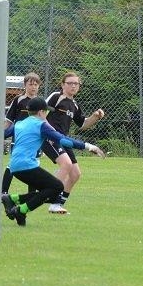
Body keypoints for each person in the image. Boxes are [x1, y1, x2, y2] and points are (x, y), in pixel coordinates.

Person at [2, 97, 105, 226]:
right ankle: (21, 210)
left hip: (14, 166)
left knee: (49, 191)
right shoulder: (41, 125)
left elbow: (3, 134)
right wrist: (88, 146)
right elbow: (63, 140)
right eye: (46, 111)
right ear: (40, 112)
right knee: (57, 187)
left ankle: (13, 199)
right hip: (27, 166)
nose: (47, 114)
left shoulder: (19, 123)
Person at [41, 72, 105, 214]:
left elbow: (83, 124)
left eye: (76, 83)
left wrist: (95, 117)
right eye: (70, 83)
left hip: (63, 140)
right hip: (50, 138)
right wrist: (50, 133)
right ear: (63, 84)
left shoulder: (74, 105)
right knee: (66, 165)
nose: (73, 86)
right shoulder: (56, 97)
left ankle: (57, 205)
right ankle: (48, 195)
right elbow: (41, 114)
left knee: (75, 174)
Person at [2, 72, 41, 194]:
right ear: (25, 85)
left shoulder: (41, 102)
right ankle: (3, 191)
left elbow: (43, 122)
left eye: (36, 84)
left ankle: (32, 194)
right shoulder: (18, 100)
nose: (33, 87)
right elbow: (9, 120)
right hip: (19, 138)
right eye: (30, 84)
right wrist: (1, 133)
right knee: (13, 163)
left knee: (33, 164)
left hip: (34, 139)